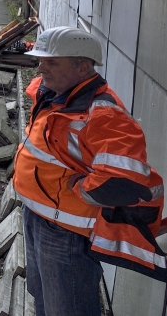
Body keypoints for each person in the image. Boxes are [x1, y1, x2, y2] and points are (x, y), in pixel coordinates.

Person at [14, 26, 166, 316]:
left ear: (82, 66)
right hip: (38, 216)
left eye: (51, 62)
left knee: (67, 309)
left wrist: (77, 191)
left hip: (65, 233)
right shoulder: (55, 95)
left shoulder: (104, 115)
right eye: (41, 60)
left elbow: (122, 181)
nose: (41, 68)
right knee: (44, 301)